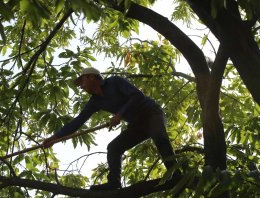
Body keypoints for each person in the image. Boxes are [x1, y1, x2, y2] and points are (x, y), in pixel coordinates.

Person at [42, 67, 179, 190]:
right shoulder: (94, 102)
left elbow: (137, 96)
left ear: (91, 77)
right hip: (138, 125)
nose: (81, 87)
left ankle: (176, 174)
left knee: (159, 137)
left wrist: (119, 114)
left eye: (82, 82)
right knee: (114, 148)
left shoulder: (114, 81)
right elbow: (77, 122)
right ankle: (114, 183)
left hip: (151, 113)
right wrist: (54, 139)